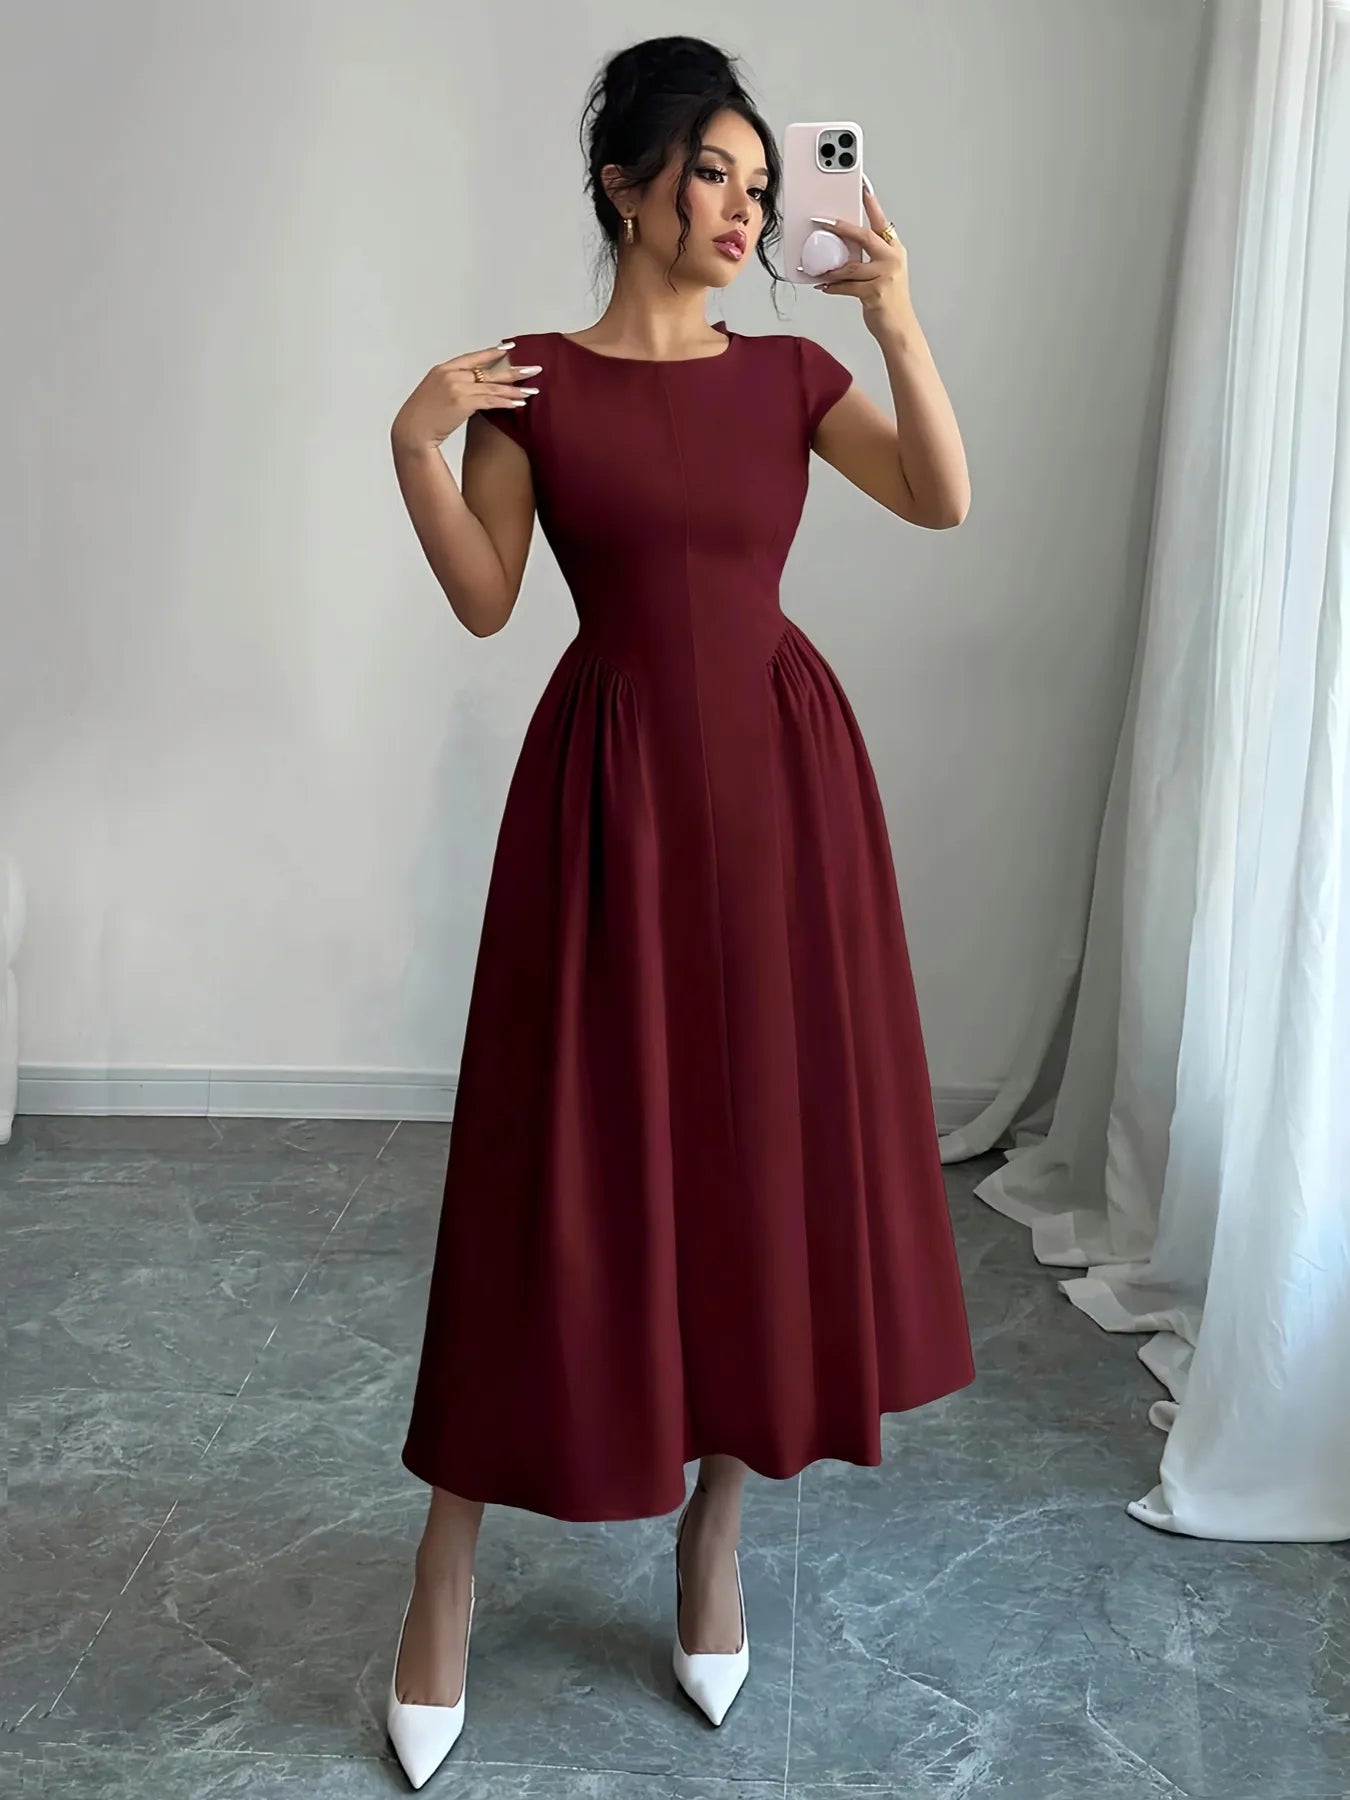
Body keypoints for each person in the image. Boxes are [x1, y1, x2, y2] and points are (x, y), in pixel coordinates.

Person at [384, 33, 975, 1789]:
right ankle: (444, 1574)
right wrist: (414, 441)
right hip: (609, 800)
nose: (742, 206)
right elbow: (492, 602)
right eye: (708, 173)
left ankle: (711, 1540)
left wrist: (894, 313)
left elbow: (941, 495)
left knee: (756, 1162)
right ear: (624, 186)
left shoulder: (788, 374)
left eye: (756, 181)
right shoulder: (537, 385)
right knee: (550, 1178)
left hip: (785, 804)